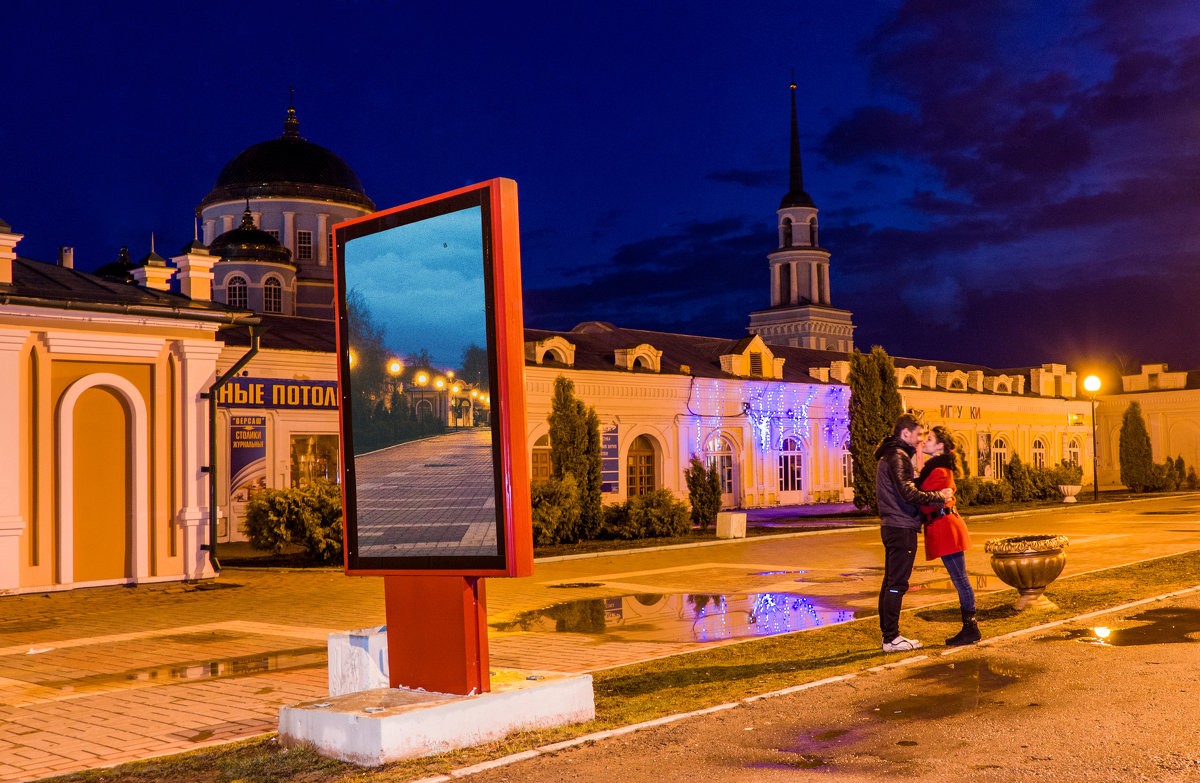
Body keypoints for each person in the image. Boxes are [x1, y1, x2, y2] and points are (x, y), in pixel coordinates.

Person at [874, 413, 953, 652]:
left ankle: (889, 635)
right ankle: (891, 638)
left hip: (893, 525)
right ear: (905, 433)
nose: (920, 440)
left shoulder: (892, 455)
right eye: (918, 434)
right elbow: (908, 493)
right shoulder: (897, 456)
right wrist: (940, 497)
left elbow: (904, 489)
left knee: (891, 582)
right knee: (897, 583)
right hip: (901, 526)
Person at [917, 426, 981, 646]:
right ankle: (970, 627)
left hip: (946, 528)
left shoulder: (940, 471)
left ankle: (971, 628)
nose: (925, 441)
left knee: (961, 580)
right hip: (944, 527)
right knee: (959, 579)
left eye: (930, 439)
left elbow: (920, 497)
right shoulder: (935, 469)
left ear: (940, 446)